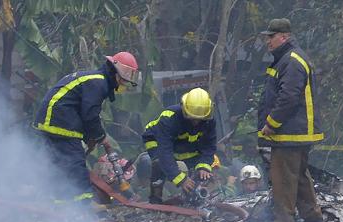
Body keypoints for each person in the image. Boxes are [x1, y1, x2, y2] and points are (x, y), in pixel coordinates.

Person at [34, 52, 139, 196]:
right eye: (125, 80)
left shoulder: (95, 79)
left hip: (53, 120)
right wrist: (100, 137)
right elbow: (90, 115)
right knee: (75, 163)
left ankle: (60, 204)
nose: (124, 84)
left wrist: (90, 138)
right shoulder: (99, 82)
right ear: (117, 73)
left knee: (60, 165)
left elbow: (82, 110)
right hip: (59, 120)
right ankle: (83, 205)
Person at [258, 18, 324, 222]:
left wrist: (271, 123)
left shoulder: (291, 61)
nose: (268, 41)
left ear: (284, 37)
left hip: (290, 133)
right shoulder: (286, 59)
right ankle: (312, 219)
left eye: (271, 36)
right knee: (300, 176)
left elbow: (288, 97)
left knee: (283, 180)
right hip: (296, 133)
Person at [142, 87, 217, 203]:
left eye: (200, 119)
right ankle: (155, 199)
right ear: (184, 109)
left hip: (185, 144)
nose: (196, 122)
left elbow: (209, 146)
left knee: (196, 170)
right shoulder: (169, 118)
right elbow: (165, 152)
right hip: (156, 140)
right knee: (159, 164)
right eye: (192, 118)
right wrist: (181, 179)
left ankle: (191, 199)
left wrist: (204, 166)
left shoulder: (208, 119)